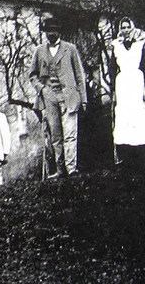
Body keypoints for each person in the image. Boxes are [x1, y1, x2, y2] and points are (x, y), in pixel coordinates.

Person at [29, 16, 87, 178]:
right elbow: (32, 75)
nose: (51, 34)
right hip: (49, 98)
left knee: (70, 133)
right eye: (48, 31)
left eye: (54, 30)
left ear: (59, 31)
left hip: (69, 96)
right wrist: (41, 89)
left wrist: (83, 98)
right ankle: (60, 170)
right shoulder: (39, 51)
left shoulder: (70, 49)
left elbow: (79, 75)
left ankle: (71, 168)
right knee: (56, 136)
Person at [110, 18, 145, 159]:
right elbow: (112, 68)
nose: (125, 30)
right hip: (123, 83)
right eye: (122, 27)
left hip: (137, 81)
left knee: (140, 113)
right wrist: (113, 88)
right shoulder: (116, 46)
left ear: (132, 28)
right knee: (125, 113)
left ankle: (142, 150)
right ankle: (126, 152)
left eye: (127, 27)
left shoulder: (140, 44)